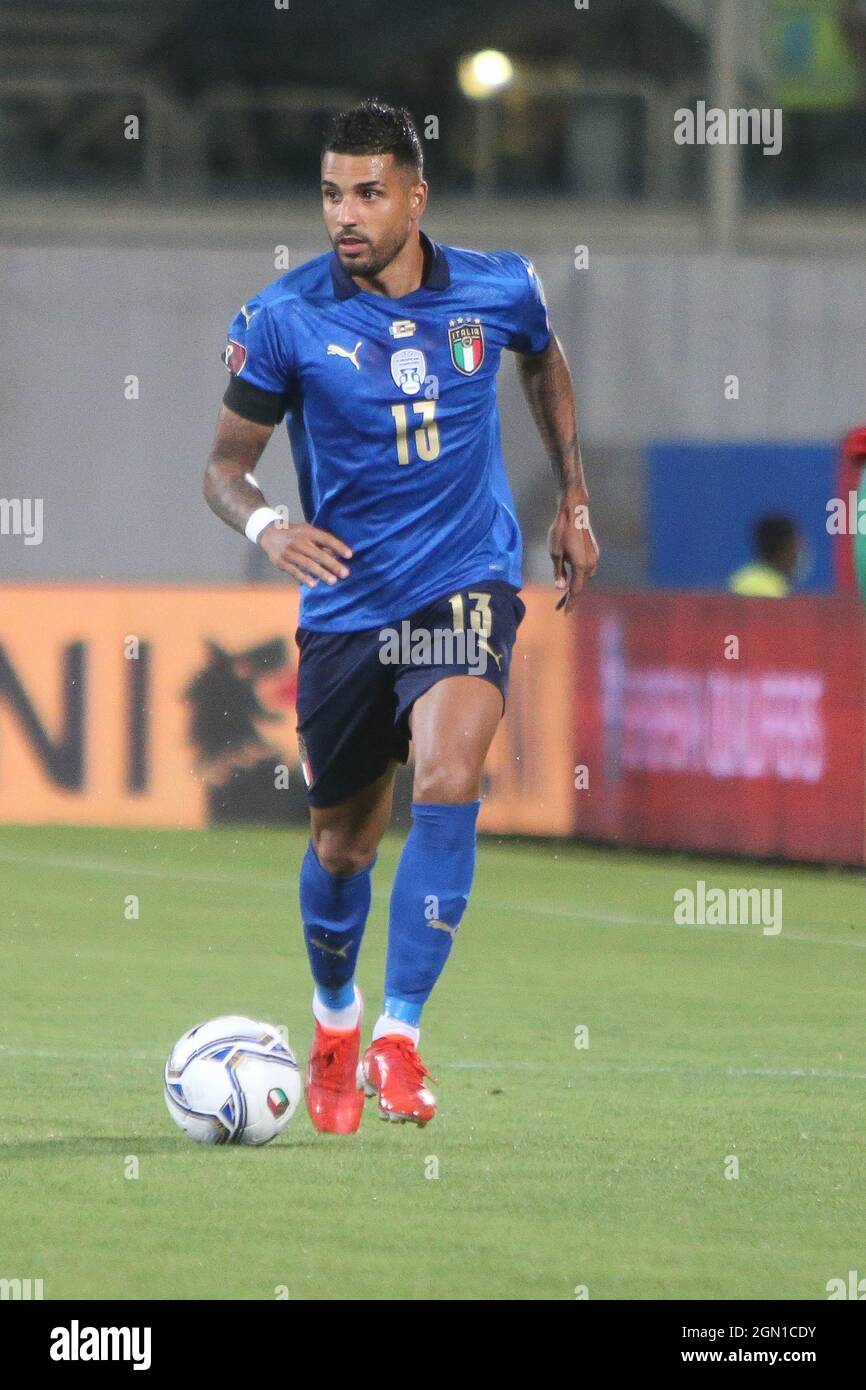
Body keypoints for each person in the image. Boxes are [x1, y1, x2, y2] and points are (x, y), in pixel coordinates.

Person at [203, 99, 599, 1132]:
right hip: (345, 607)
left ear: (415, 198)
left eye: (368, 193)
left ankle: (399, 1035)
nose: (346, 213)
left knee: (450, 771)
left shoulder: (496, 287)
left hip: (464, 578)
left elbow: (542, 358)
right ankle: (333, 1019)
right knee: (341, 845)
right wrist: (267, 529)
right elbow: (223, 469)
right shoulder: (283, 319)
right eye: (332, 192)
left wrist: (571, 496)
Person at [728, 515, 801, 597]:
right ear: (781, 550)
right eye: (794, 547)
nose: (798, 555)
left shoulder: (778, 585)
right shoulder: (753, 587)